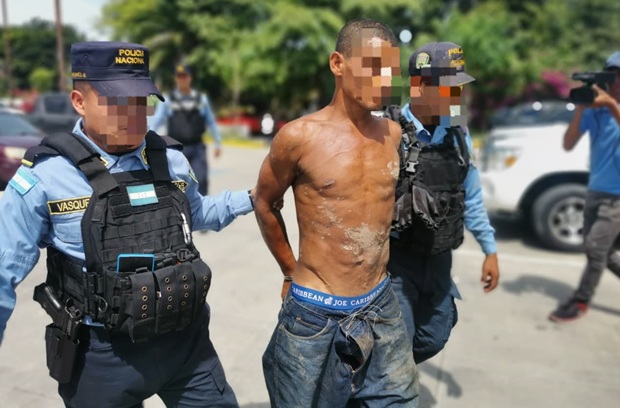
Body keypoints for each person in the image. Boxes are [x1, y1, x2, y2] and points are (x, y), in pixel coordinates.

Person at [0, 41, 255, 407]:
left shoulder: (171, 161)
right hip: (102, 357)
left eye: (140, 101)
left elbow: (199, 213)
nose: (133, 114)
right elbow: (3, 270)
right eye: (116, 101)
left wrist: (253, 197)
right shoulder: (46, 177)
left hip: (186, 346)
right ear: (79, 101)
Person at [254, 18, 418, 407]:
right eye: (373, 68)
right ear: (338, 63)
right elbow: (264, 202)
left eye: (390, 71)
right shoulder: (298, 137)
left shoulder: (392, 134)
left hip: (380, 304)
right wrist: (288, 269)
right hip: (314, 313)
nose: (384, 81)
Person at [385, 41, 500, 364]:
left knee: (434, 337)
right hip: (397, 263)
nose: (456, 96)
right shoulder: (388, 132)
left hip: (439, 260)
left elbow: (471, 196)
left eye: (458, 88)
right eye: (448, 88)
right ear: (419, 86)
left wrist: (489, 249)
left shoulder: (458, 133)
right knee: (397, 353)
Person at [549, 51, 620, 323]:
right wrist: (581, 109)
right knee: (604, 253)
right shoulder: (596, 110)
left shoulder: (609, 107)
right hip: (596, 190)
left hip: (617, 197)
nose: (615, 81)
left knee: (595, 249)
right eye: (612, 76)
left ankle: (580, 300)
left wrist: (611, 105)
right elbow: (568, 144)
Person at [150, 64, 222, 195]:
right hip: (175, 148)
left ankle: (201, 207)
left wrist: (217, 143)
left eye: (185, 76)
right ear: (175, 79)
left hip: (197, 148)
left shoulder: (201, 99)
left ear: (190, 78)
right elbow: (157, 120)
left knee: (201, 180)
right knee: (175, 182)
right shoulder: (168, 99)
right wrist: (148, 138)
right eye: (179, 77)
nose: (182, 79)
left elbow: (211, 121)